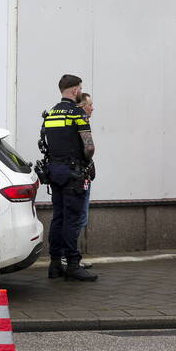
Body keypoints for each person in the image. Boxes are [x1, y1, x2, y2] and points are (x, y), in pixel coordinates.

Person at [39, 75, 97, 282]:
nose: (81, 91)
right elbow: (89, 147)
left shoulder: (51, 113)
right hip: (74, 173)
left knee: (58, 217)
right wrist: (86, 161)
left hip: (54, 172)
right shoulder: (77, 114)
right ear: (74, 91)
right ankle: (73, 264)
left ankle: (55, 264)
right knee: (72, 219)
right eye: (80, 88)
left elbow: (45, 143)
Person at [76, 93, 95, 241]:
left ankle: (68, 255)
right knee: (79, 217)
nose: (92, 108)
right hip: (80, 177)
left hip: (76, 175)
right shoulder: (80, 122)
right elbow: (89, 149)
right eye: (90, 105)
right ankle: (69, 255)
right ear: (82, 107)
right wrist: (89, 162)